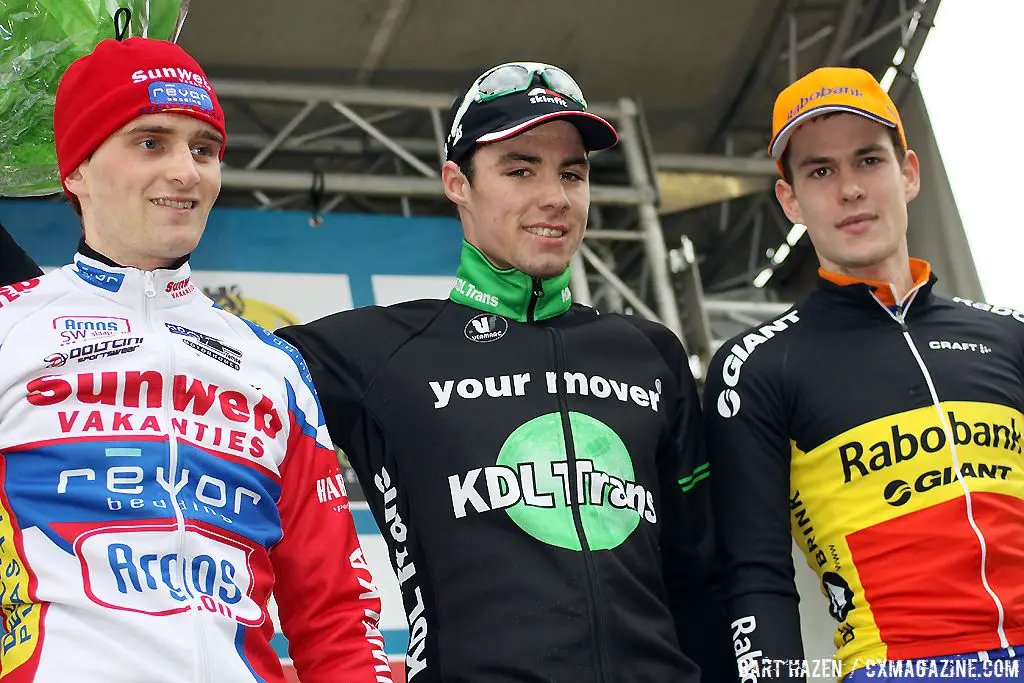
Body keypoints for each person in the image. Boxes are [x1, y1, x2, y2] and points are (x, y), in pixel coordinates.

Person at [2, 61, 733, 682]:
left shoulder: (651, 352)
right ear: (456, 181)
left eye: (571, 172)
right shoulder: (364, 349)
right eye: (519, 168)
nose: (553, 194)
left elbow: (703, 574)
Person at [0, 38, 391, 683]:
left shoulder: (271, 366)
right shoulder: (11, 329)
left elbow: (337, 612)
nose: (186, 171)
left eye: (203, 149)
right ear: (76, 171)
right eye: (150, 141)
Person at [703, 66, 1024, 682]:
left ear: (907, 173)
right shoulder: (759, 365)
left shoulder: (1008, 336)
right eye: (820, 171)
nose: (849, 189)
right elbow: (754, 574)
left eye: (867, 161)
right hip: (901, 668)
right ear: (790, 200)